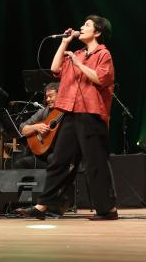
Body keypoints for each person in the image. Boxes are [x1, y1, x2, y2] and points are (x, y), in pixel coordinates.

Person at [17, 15, 118, 220]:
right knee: (59, 160)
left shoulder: (103, 53)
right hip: (69, 112)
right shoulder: (77, 53)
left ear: (97, 32)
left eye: (87, 25)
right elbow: (55, 69)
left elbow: (100, 78)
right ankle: (42, 206)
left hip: (90, 114)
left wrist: (78, 65)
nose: (82, 27)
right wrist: (64, 43)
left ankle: (107, 210)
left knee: (94, 164)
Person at [15, 82, 60, 169]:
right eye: (46, 97)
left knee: (52, 158)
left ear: (60, 95)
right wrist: (35, 127)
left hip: (58, 155)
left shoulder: (65, 113)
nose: (48, 99)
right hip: (42, 155)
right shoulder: (43, 112)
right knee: (20, 163)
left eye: (51, 96)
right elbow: (22, 128)